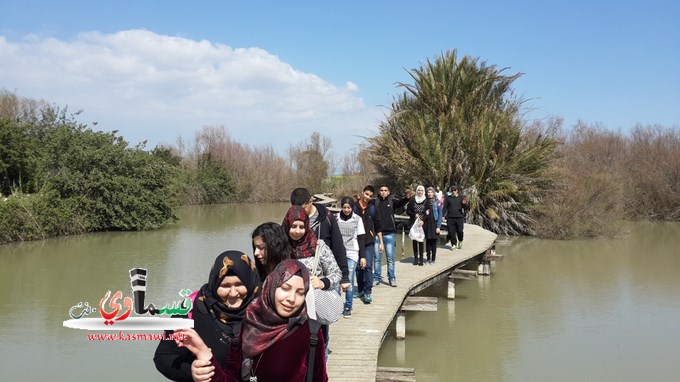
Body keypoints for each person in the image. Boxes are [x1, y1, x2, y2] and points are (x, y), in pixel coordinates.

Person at [177, 259, 328, 382]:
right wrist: (204, 353)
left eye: (300, 293)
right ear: (271, 286)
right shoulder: (249, 323)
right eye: (285, 288)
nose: (291, 299)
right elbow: (230, 379)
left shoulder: (310, 332)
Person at [153, 250, 261, 382]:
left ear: (250, 282)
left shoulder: (265, 308)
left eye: (239, 284)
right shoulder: (191, 308)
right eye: (225, 286)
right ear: (214, 283)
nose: (233, 293)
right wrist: (191, 371)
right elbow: (163, 356)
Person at [283, 204, 341, 359]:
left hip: (315, 309)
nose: (297, 231)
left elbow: (336, 274)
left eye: (301, 227)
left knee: (318, 349)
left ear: (307, 226)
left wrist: (323, 282)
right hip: (287, 311)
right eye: (293, 226)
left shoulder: (319, 247)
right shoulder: (280, 248)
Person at [290, 187, 350, 292]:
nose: (300, 212)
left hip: (326, 275)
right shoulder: (289, 221)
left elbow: (338, 245)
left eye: (303, 208)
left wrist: (344, 276)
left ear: (311, 201)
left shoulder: (327, 218)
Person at [374, 184, 411, 287]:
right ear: (379, 191)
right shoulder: (375, 202)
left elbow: (401, 203)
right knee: (377, 258)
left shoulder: (392, 202)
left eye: (385, 190)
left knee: (390, 258)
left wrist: (407, 198)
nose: (383, 192)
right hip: (377, 234)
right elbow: (364, 203)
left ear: (388, 192)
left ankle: (391, 278)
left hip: (389, 234)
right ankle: (376, 278)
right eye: (381, 190)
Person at [334, 196, 365, 318]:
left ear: (352, 208)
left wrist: (363, 256)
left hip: (352, 252)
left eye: (349, 207)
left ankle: (348, 306)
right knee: (336, 281)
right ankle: (336, 306)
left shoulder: (358, 219)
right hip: (337, 253)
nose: (346, 210)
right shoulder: (335, 218)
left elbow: (361, 238)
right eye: (344, 207)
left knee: (349, 281)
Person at [353, 185, 377, 304]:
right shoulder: (354, 207)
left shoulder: (372, 207)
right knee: (358, 268)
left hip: (369, 241)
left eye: (370, 196)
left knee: (367, 267)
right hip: (355, 242)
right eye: (366, 194)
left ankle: (368, 291)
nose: (367, 197)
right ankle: (361, 289)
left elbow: (377, 223)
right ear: (362, 192)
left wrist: (379, 240)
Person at [406, 185, 431, 266]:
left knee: (420, 241)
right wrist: (414, 214)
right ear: (416, 191)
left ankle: (421, 259)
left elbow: (428, 213)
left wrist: (423, 220)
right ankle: (415, 258)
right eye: (418, 190)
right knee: (414, 240)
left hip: (422, 223)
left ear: (423, 192)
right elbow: (408, 211)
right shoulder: (412, 200)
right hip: (414, 222)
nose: (420, 192)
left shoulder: (426, 201)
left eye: (421, 190)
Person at [442, 184, 467, 249]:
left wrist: (464, 204)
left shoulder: (461, 198)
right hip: (450, 217)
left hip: (459, 217)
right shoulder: (448, 198)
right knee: (451, 232)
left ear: (457, 191)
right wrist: (442, 216)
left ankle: (460, 240)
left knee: (460, 231)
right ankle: (454, 244)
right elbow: (445, 207)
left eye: (454, 190)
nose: (453, 191)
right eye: (452, 190)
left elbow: (465, 207)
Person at [424, 186, 443, 264]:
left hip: (434, 223)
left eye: (431, 192)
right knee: (428, 241)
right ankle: (428, 257)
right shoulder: (424, 201)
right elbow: (422, 212)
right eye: (428, 192)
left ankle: (433, 259)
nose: (430, 193)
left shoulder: (437, 202)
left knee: (433, 242)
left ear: (434, 193)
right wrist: (425, 213)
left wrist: (438, 226)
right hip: (427, 223)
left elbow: (440, 214)